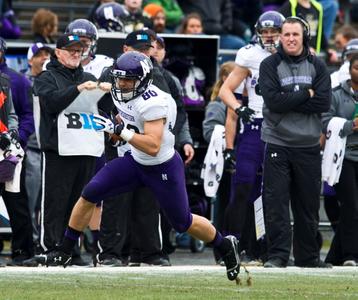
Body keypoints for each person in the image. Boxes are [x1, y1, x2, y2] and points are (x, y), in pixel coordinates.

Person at [39, 51, 241, 282]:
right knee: (89, 194)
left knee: (182, 222)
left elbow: (153, 145)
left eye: (128, 80)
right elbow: (125, 124)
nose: (122, 84)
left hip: (161, 166)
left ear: (143, 80)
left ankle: (225, 245)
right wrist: (114, 131)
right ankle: (65, 251)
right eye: (120, 78)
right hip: (135, 161)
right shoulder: (121, 93)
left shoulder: (154, 102)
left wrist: (120, 131)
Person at [24, 33, 111, 267]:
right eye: (70, 50)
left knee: (80, 203)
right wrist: (79, 89)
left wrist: (106, 92)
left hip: (85, 146)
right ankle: (50, 247)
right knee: (55, 202)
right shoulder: (46, 77)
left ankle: (72, 248)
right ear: (58, 52)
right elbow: (51, 102)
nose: (75, 54)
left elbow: (103, 108)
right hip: (58, 149)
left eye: (79, 50)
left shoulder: (89, 76)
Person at [259, 16, 331, 268]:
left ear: (304, 37)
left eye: (295, 34)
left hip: (309, 145)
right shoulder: (269, 65)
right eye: (286, 34)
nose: (290, 39)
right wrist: (305, 94)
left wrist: (289, 98)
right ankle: (278, 256)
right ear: (280, 36)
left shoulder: (318, 66)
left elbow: (323, 102)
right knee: (276, 202)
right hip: (278, 142)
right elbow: (273, 102)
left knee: (308, 205)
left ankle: (308, 257)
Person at [218, 11, 285, 265]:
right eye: (265, 31)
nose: (269, 36)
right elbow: (225, 91)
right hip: (255, 126)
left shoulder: (292, 54)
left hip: (281, 128)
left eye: (273, 31)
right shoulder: (249, 54)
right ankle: (229, 245)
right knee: (242, 185)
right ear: (258, 32)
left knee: (268, 192)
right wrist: (239, 108)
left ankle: (262, 247)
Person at [0, 37, 35, 266]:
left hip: (5, 150)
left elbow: (12, 114)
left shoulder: (5, 81)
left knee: (17, 202)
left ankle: (23, 252)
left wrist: (12, 136)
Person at [322, 54, 358, 267]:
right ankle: (351, 255)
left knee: (352, 210)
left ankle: (334, 256)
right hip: (344, 158)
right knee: (351, 206)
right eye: (356, 67)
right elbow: (325, 123)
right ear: (349, 70)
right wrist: (350, 126)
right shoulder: (336, 95)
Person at [25, 42, 53, 252]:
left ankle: (46, 239)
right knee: (31, 198)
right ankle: (32, 238)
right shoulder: (22, 82)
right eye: (39, 55)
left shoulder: (52, 80)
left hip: (50, 149)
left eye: (47, 54)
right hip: (31, 148)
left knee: (49, 199)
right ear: (30, 59)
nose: (44, 58)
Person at [177, 0, 247, 50]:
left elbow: (227, 12)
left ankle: (222, 68)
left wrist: (225, 28)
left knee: (239, 44)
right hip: (199, 33)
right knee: (202, 41)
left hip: (219, 33)